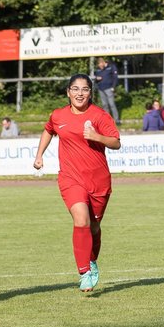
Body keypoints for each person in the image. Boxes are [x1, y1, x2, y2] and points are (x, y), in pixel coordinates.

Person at [32, 75, 122, 292]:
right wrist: (39, 154)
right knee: (80, 220)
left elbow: (116, 142)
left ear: (90, 93)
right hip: (70, 178)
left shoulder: (99, 116)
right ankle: (84, 271)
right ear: (68, 92)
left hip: (98, 181)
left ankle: (91, 261)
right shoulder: (58, 115)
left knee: (93, 226)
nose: (79, 93)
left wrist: (96, 136)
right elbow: (49, 129)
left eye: (84, 89)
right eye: (75, 89)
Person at [93, 57, 120, 124]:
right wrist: (97, 79)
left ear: (103, 63)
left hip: (109, 88)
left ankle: (117, 120)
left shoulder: (110, 67)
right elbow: (95, 79)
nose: (100, 67)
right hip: (101, 89)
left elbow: (115, 78)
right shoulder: (98, 70)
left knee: (112, 104)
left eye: (101, 65)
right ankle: (107, 120)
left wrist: (113, 87)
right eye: (99, 66)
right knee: (105, 105)